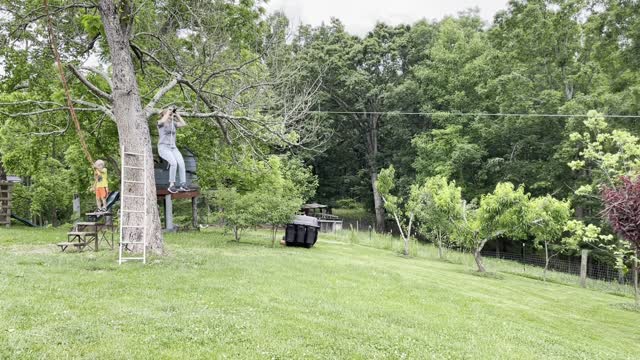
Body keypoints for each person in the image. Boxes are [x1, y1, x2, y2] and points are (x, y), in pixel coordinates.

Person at [157, 107, 190, 193]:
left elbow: (184, 124)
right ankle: (171, 185)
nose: (171, 116)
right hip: (163, 147)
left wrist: (177, 114)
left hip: (173, 148)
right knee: (173, 163)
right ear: (164, 114)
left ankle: (183, 184)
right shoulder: (160, 123)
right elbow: (163, 121)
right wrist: (168, 112)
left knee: (181, 163)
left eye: (171, 115)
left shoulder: (173, 124)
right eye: (170, 114)